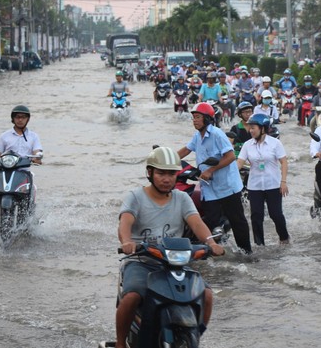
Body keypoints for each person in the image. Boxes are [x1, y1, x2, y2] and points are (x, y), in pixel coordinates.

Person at [116, 147, 225, 348]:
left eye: (171, 174)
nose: (166, 179)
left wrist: (210, 242)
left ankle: (193, 336)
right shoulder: (136, 197)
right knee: (132, 296)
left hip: (175, 262)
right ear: (149, 173)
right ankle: (120, 342)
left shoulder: (182, 199)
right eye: (161, 173)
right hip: (141, 261)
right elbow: (125, 223)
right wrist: (126, 242)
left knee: (207, 295)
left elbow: (197, 223)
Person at [177, 103, 252, 254]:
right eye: (193, 118)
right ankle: (211, 252)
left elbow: (230, 156)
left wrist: (211, 170)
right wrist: (166, 159)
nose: (194, 121)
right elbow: (186, 150)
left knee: (237, 221)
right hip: (209, 187)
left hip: (227, 186)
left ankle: (247, 253)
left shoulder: (217, 134)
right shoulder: (198, 136)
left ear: (207, 119)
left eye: (198, 117)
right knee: (209, 221)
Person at [0, 105, 43, 227]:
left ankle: (27, 221)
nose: (20, 119)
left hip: (23, 173)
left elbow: (37, 151)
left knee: (28, 197)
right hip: (4, 171)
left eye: (23, 117)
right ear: (13, 119)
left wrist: (37, 157)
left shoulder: (33, 136)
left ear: (27, 119)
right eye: (17, 117)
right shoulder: (5, 136)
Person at [236, 114, 290, 246]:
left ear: (263, 129)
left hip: (273, 184)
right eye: (250, 128)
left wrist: (283, 182)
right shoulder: (247, 145)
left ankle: (284, 239)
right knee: (256, 217)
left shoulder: (275, 143)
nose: (250, 130)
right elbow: (239, 163)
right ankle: (259, 244)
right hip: (254, 186)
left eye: (253, 128)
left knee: (276, 215)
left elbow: (284, 162)